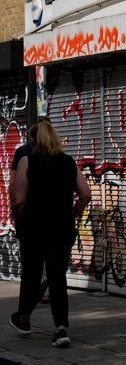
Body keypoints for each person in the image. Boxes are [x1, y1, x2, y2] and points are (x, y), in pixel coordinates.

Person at [10, 117, 91, 348]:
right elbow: (85, 194)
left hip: (35, 226)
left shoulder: (28, 161)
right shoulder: (69, 162)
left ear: (34, 139)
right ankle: (61, 328)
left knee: (32, 273)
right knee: (57, 276)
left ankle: (24, 319)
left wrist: (19, 223)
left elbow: (20, 201)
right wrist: (74, 213)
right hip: (62, 226)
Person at [9, 118, 50, 305]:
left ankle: (29, 299)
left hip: (29, 214)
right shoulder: (58, 155)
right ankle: (46, 291)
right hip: (52, 215)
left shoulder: (22, 152)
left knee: (30, 260)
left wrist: (15, 210)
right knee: (50, 257)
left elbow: (13, 183)